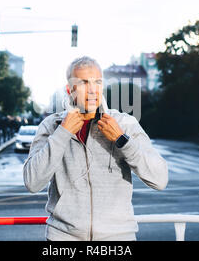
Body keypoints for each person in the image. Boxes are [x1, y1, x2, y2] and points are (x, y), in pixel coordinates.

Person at [23, 56, 169, 241]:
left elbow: (160, 179)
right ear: (70, 89)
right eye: (84, 82)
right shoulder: (51, 125)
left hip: (117, 238)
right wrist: (62, 133)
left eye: (97, 82)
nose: (92, 90)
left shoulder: (124, 123)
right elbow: (32, 182)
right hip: (64, 238)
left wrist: (122, 140)